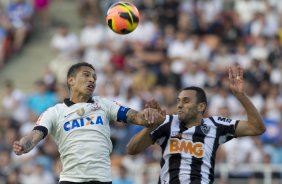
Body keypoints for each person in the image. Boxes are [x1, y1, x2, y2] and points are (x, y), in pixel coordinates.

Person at [13, 62, 165, 184]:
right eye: (86, 75)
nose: (92, 79)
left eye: (94, 77)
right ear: (70, 80)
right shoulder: (54, 112)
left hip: (102, 179)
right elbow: (34, 136)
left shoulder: (104, 104)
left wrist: (150, 115)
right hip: (70, 180)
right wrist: (23, 146)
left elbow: (137, 117)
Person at [127, 66, 266, 184]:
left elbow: (257, 128)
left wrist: (241, 96)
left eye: (186, 101)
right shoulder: (167, 122)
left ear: (201, 106)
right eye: (178, 101)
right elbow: (132, 149)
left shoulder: (216, 125)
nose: (180, 105)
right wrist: (150, 127)